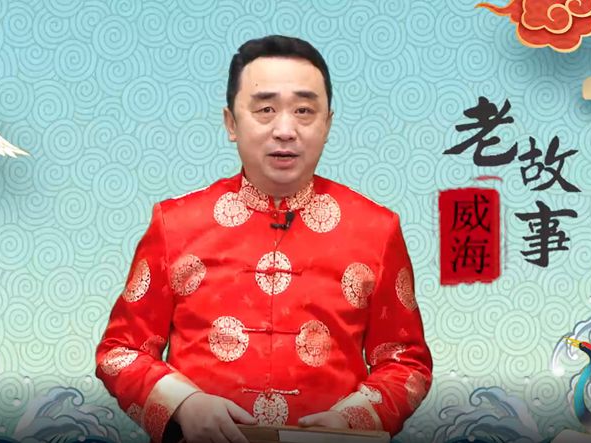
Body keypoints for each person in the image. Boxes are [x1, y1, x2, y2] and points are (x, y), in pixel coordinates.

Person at [95, 35, 432, 443]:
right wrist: (184, 404)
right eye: (265, 109)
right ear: (231, 123)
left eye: (304, 111)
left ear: (327, 124)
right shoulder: (175, 224)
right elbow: (121, 351)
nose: (285, 130)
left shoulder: (376, 229)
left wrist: (355, 418)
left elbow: (405, 362)